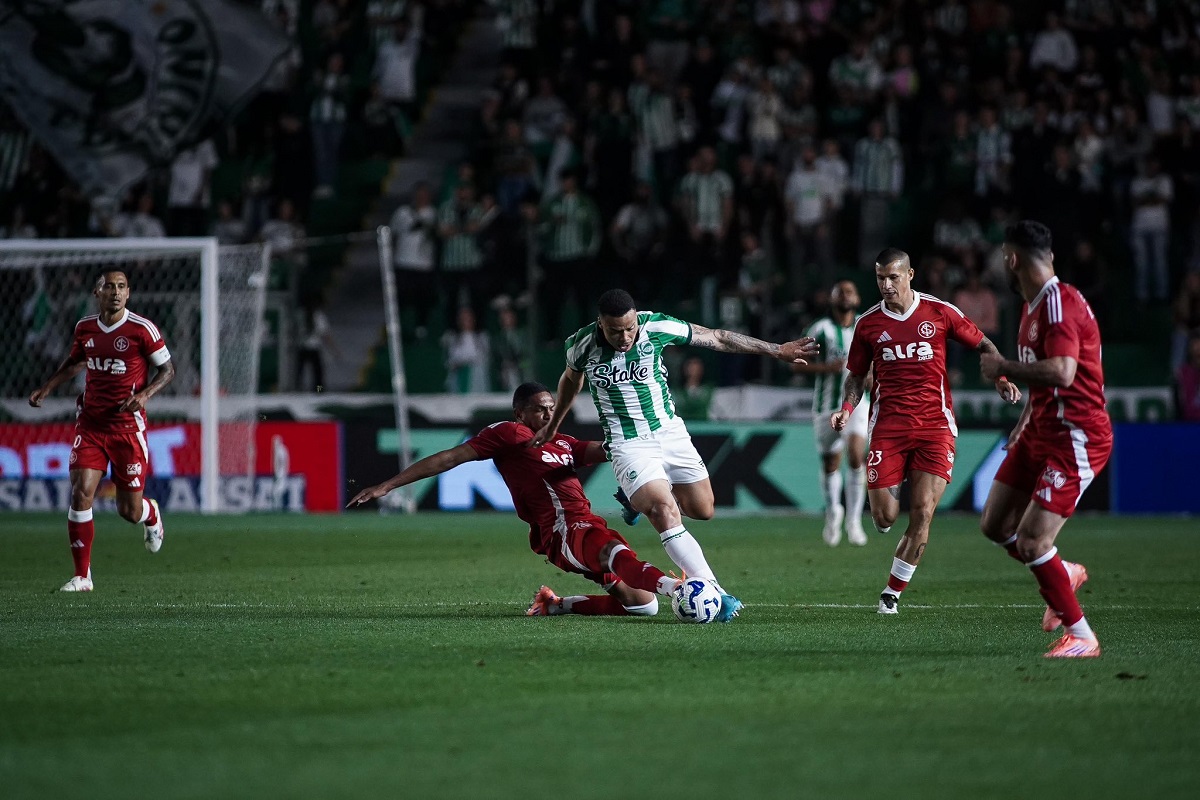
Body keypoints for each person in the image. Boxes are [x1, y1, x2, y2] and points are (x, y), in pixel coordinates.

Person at [530, 289, 820, 622]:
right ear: (600, 324)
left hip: (670, 432)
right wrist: (554, 424)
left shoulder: (655, 327)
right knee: (663, 510)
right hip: (628, 443)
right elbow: (571, 379)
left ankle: (636, 497)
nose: (624, 337)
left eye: (629, 328)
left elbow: (718, 337)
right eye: (615, 331)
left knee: (703, 509)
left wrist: (775, 349)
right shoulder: (581, 345)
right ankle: (715, 592)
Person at [347, 382, 681, 617]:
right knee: (613, 551)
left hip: (585, 524)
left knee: (642, 605)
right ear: (520, 413)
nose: (549, 415)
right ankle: (679, 590)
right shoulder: (509, 433)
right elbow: (450, 458)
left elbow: (605, 450)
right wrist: (388, 485)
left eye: (552, 408)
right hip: (563, 530)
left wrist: (637, 452)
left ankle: (555, 604)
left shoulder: (563, 443)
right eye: (540, 410)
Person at [831, 249, 1020, 614]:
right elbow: (855, 375)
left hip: (936, 427)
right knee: (884, 517)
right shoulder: (869, 324)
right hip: (889, 426)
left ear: (910, 274)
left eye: (893, 278)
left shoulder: (939, 311)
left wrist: (1001, 377)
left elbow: (984, 343)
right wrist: (847, 408)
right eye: (880, 278)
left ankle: (891, 594)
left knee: (922, 514)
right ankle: (892, 486)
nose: (886, 285)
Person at [978, 221, 1113, 658]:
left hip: (1077, 436)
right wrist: (1023, 422)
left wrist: (1002, 367)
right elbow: (1047, 382)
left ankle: (1082, 636)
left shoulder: (1057, 305)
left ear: (1011, 259)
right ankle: (1064, 570)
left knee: (1034, 541)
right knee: (996, 525)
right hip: (1039, 427)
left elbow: (1062, 372)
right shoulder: (1032, 305)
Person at [27, 270, 176, 592]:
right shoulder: (85, 328)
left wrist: (144, 395)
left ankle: (151, 514)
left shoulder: (142, 329)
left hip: (126, 429)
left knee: (128, 510)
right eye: (110, 287)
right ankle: (83, 576)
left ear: (128, 293)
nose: (116, 292)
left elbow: (167, 369)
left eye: (122, 287)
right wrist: (47, 387)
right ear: (98, 292)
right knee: (81, 493)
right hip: (91, 425)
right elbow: (75, 361)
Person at [794, 281, 869, 547]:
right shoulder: (820, 329)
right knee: (830, 463)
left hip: (858, 403)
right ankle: (834, 511)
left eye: (850, 290)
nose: (846, 295)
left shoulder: (866, 326)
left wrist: (872, 378)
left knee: (857, 456)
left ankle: (855, 520)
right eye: (840, 291)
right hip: (825, 406)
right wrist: (827, 368)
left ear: (858, 298)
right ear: (833, 298)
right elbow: (797, 363)